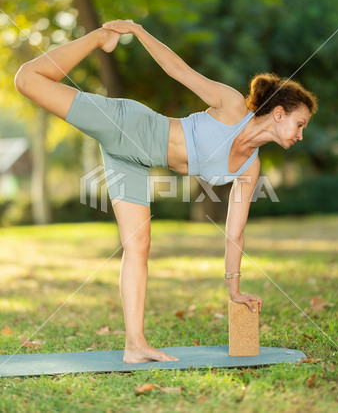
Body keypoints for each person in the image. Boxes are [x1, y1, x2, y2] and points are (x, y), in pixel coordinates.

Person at [14, 19, 318, 364]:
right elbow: (178, 70)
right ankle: (99, 38)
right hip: (128, 125)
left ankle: (135, 344)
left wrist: (234, 288)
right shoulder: (232, 107)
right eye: (300, 124)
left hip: (132, 162)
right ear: (279, 113)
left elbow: (235, 232)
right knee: (27, 79)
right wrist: (139, 32)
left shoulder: (250, 166)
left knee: (138, 245)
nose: (300, 134)